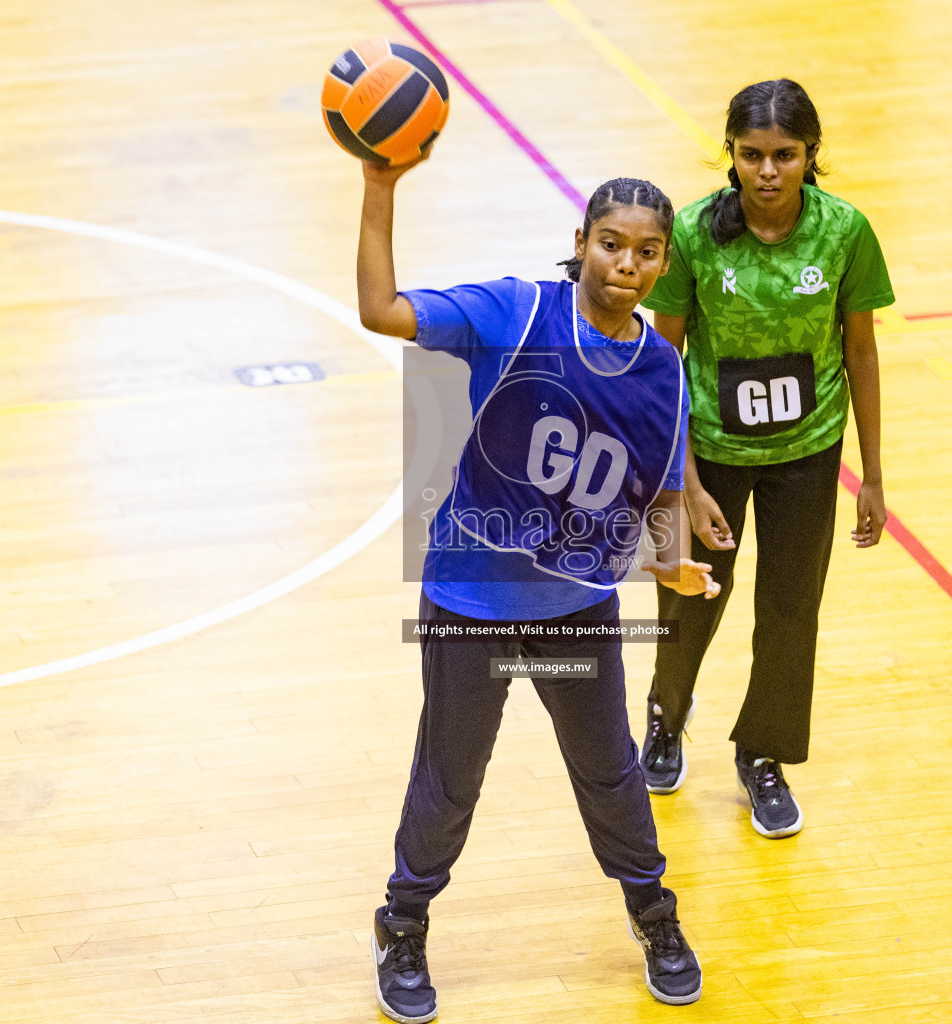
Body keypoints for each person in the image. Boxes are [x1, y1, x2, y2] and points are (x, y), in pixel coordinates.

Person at [356, 149, 717, 1022]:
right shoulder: (514, 312)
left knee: (611, 773)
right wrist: (379, 187)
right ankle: (402, 923)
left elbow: (663, 490)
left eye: (645, 252)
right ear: (580, 244)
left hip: (577, 618)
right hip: (471, 607)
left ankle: (654, 915)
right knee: (451, 780)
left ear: (664, 262)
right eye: (610, 245)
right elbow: (380, 311)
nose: (626, 266)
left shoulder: (661, 370)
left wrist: (670, 561)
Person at [637, 79, 894, 839]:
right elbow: (664, 360)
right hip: (704, 452)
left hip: (808, 450)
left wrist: (871, 473)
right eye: (752, 155)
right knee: (687, 595)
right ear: (732, 156)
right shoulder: (688, 235)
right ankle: (663, 717)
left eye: (785, 155)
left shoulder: (845, 232)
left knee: (790, 608)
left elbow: (862, 351)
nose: (768, 171)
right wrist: (678, 478)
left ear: (812, 154)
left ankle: (764, 756)